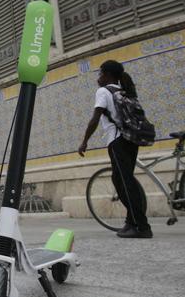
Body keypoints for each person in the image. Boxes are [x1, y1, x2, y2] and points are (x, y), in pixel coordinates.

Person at [78, 60, 152, 239]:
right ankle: (131, 222)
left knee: (124, 183)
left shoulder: (103, 91)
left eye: (100, 74)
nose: (98, 78)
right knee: (126, 181)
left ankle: (142, 227)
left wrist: (84, 141)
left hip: (117, 141)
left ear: (108, 75)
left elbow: (95, 118)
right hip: (131, 140)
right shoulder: (124, 91)